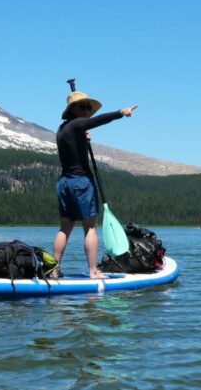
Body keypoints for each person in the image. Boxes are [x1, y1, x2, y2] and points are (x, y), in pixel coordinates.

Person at [52, 89, 136, 279]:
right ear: (73, 109)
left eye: (88, 107)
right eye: (83, 107)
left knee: (65, 228)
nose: (87, 110)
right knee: (89, 227)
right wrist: (120, 113)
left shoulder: (62, 129)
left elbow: (74, 143)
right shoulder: (78, 124)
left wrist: (83, 138)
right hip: (81, 182)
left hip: (64, 183)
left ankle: (54, 270)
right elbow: (97, 121)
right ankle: (93, 271)